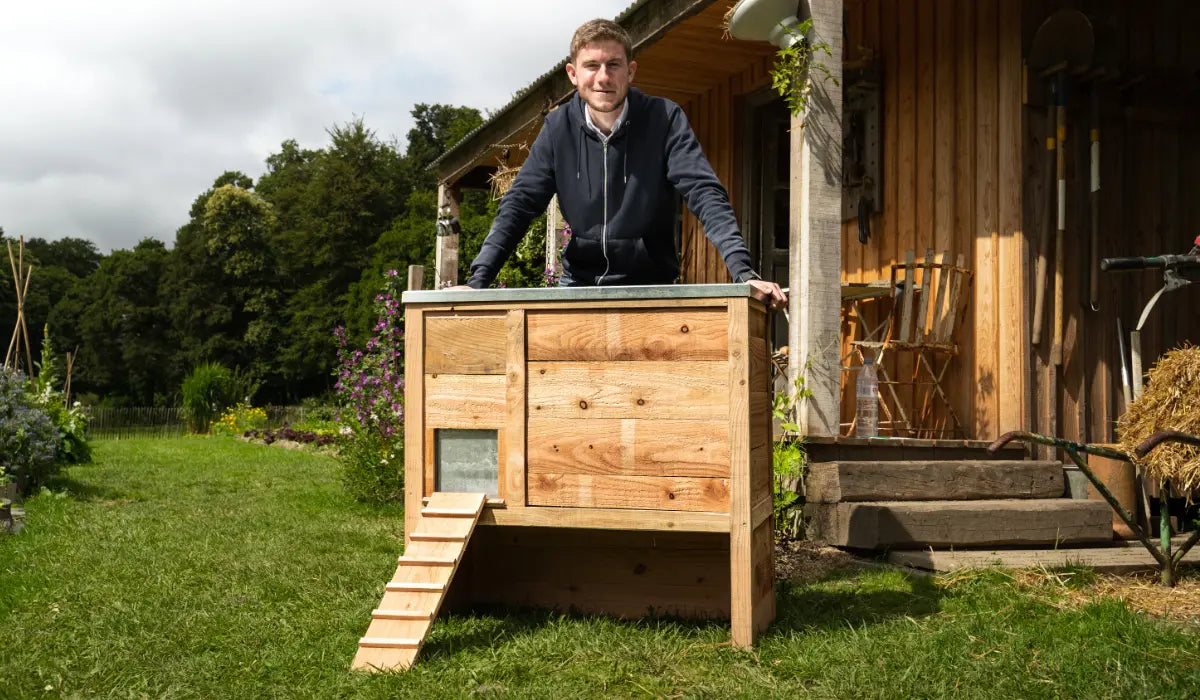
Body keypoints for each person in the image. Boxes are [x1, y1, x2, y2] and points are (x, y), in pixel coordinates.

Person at [459, 18, 787, 310]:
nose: (603, 77)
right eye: (592, 65)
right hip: (578, 284)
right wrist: (478, 282)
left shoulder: (664, 119)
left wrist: (743, 271)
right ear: (573, 74)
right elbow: (519, 204)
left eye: (613, 65)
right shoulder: (558, 129)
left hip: (652, 286)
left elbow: (704, 192)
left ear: (630, 71)